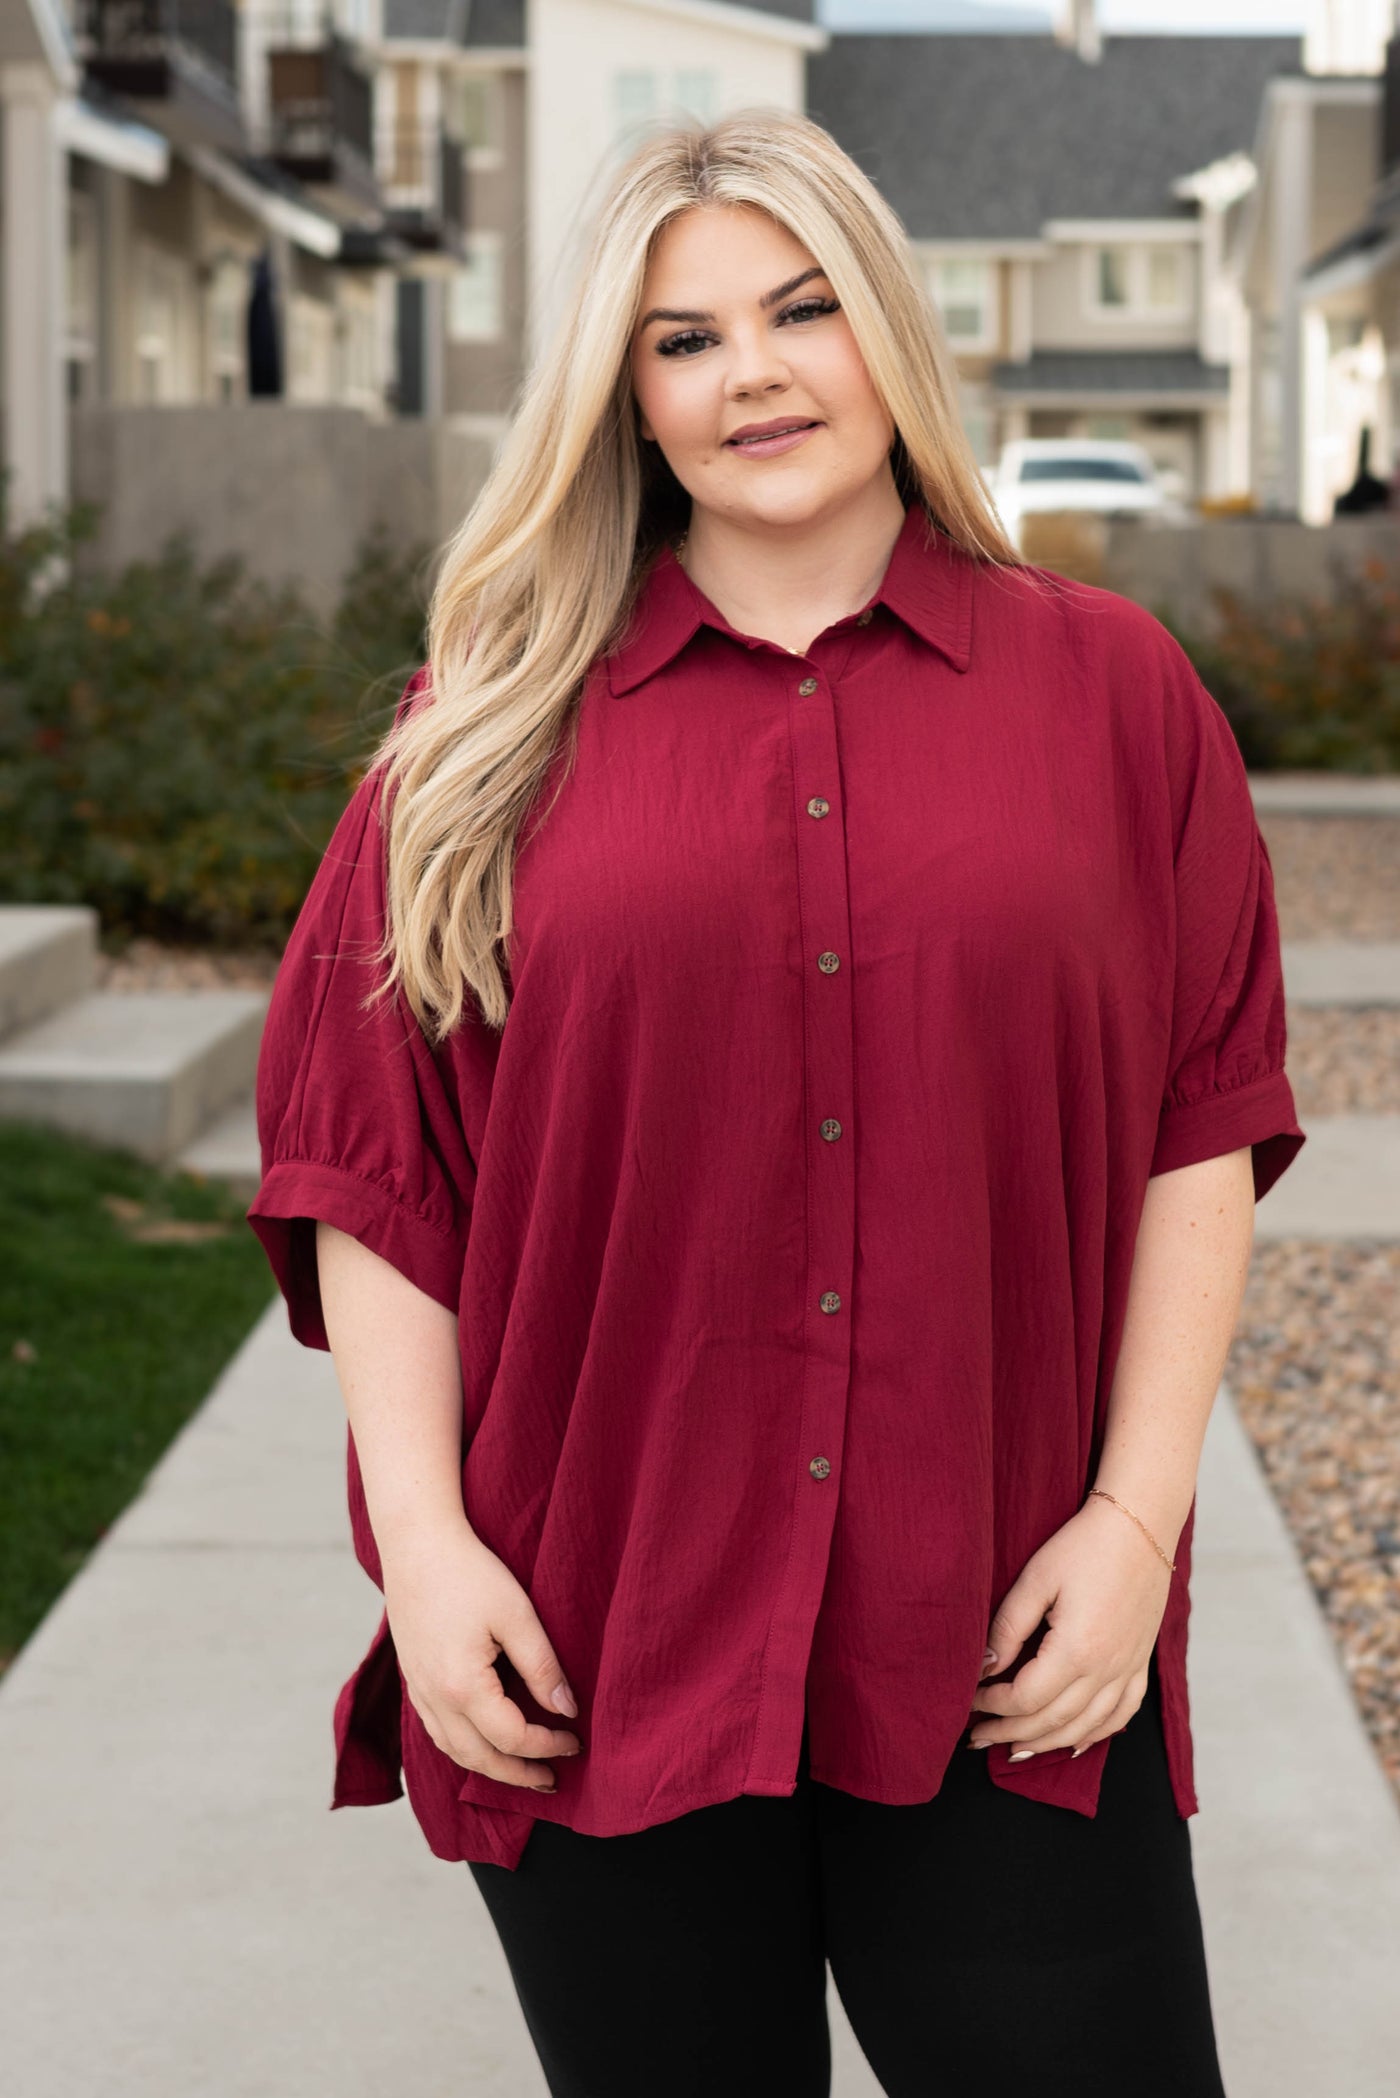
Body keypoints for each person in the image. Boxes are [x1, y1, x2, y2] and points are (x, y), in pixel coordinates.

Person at [246, 110, 1306, 2097]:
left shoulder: (1114, 693)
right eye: (682, 339)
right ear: (627, 402)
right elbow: (373, 1167)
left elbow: (1201, 1120)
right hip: (596, 1626)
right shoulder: (480, 733)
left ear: (888, 332)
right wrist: (433, 1546)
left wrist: (1133, 1521)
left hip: (1001, 1621)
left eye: (801, 309)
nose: (751, 374)